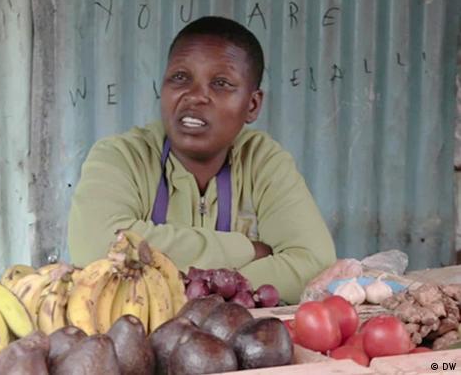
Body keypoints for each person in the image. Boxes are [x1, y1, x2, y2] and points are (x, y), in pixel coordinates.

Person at [67, 16, 336, 304]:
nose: (195, 96)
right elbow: (97, 246)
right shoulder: (121, 156)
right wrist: (246, 250)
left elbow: (314, 266)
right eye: (181, 78)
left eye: (221, 83)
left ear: (252, 104)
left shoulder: (262, 160)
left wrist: (193, 289)